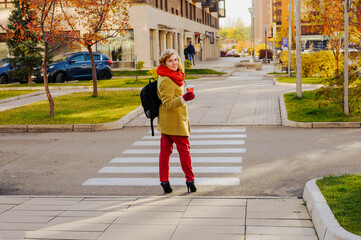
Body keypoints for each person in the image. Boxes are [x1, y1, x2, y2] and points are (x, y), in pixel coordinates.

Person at [156, 49, 197, 194]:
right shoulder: (166, 80)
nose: (174, 63)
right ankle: (189, 180)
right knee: (184, 151)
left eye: (175, 60)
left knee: (165, 152)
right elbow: (167, 104)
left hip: (167, 122)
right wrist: (184, 98)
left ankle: (164, 181)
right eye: (170, 61)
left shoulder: (173, 75)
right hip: (175, 122)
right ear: (164, 63)